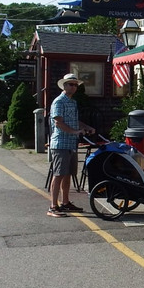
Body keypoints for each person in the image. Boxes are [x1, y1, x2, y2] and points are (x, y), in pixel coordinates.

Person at [47, 73, 95, 217]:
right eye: (71, 84)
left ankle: (65, 202)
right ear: (64, 85)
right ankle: (53, 206)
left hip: (71, 144)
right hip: (60, 143)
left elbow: (74, 121)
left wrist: (86, 127)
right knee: (59, 174)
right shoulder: (58, 102)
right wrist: (75, 132)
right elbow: (58, 122)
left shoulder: (72, 102)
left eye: (76, 85)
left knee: (68, 174)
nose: (74, 87)